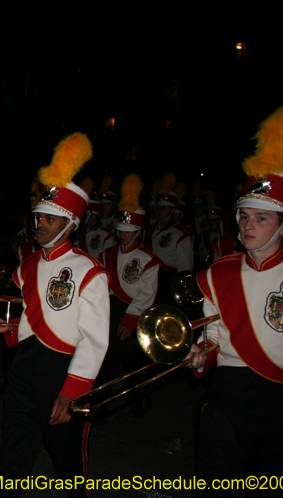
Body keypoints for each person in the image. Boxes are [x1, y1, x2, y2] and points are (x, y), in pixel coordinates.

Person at [186, 107, 283, 497]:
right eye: (244, 217)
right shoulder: (218, 273)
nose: (249, 226)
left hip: (282, 402)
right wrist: (201, 354)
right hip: (225, 395)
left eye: (262, 219)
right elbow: (214, 336)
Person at [0, 133, 109, 498]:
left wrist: (71, 392)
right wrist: (9, 327)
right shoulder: (27, 266)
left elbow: (94, 340)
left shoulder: (90, 272)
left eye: (51, 219)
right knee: (12, 452)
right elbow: (34, 319)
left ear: (71, 224)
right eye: (39, 217)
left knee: (67, 459)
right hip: (24, 367)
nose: (40, 225)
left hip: (63, 370)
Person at [97, 174, 160, 415]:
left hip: (131, 310)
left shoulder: (148, 259)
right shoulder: (108, 253)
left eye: (127, 231)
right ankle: (100, 404)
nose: (122, 234)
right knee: (105, 359)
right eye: (121, 230)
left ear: (137, 231)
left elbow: (147, 294)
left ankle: (141, 405)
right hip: (110, 309)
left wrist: (131, 319)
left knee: (133, 362)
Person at [143, 172, 193, 306]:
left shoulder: (181, 235)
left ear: (172, 210)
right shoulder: (148, 230)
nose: (160, 210)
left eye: (165, 207)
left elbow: (185, 269)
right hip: (147, 280)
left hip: (166, 282)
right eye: (158, 207)